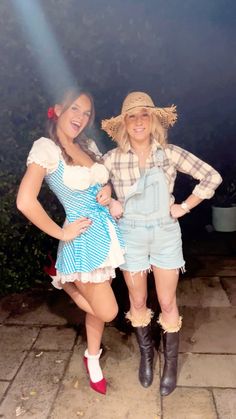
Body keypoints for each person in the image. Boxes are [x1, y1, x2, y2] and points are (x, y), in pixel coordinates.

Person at [101, 91, 222, 396]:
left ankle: (169, 362)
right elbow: (93, 191)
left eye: (145, 114)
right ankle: (146, 356)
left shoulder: (169, 153)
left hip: (166, 234)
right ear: (124, 124)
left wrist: (185, 205)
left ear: (153, 120)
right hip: (131, 235)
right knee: (138, 302)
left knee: (167, 302)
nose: (139, 121)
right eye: (132, 116)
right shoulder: (111, 159)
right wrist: (110, 202)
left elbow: (211, 176)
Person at [17, 87, 125, 395]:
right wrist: (61, 233)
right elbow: (26, 201)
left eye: (86, 112)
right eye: (75, 109)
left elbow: (100, 182)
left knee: (96, 305)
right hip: (82, 239)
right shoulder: (46, 148)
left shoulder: (87, 144)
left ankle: (93, 358)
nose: (81, 117)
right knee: (108, 311)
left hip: (105, 233)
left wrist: (107, 192)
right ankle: (62, 280)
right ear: (58, 109)